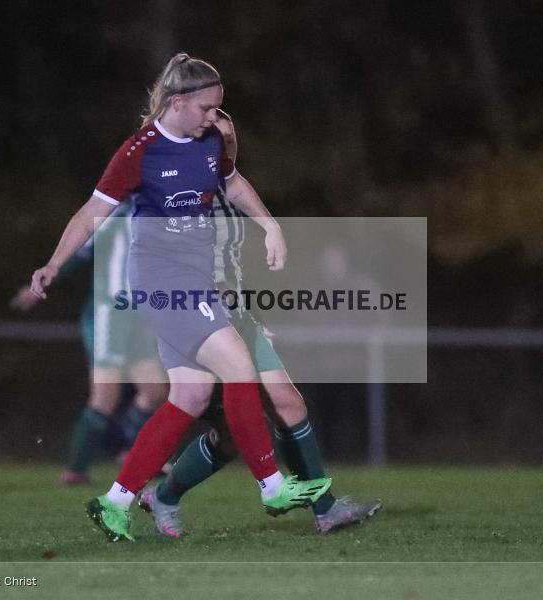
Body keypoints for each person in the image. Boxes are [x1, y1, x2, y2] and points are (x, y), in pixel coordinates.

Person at [30, 53, 331, 542]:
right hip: (163, 282)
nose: (216, 118)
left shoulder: (210, 140)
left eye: (218, 108)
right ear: (178, 102)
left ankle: (115, 502)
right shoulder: (139, 152)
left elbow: (232, 185)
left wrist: (271, 226)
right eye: (208, 108)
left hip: (197, 282)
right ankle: (273, 485)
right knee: (239, 368)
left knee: (190, 396)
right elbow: (92, 213)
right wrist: (55, 263)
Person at [138, 112, 382, 536]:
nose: (225, 130)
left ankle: (324, 509)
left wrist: (267, 240)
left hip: (232, 312)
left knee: (287, 404)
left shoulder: (227, 183)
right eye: (214, 124)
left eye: (227, 124)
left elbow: (228, 260)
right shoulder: (178, 181)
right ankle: (158, 495)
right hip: (194, 315)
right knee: (229, 435)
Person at [11, 205, 167, 485]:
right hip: (109, 314)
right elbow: (78, 252)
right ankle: (76, 469)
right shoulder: (113, 214)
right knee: (105, 397)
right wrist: (45, 280)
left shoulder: (162, 213)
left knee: (155, 389)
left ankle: (130, 450)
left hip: (140, 315)